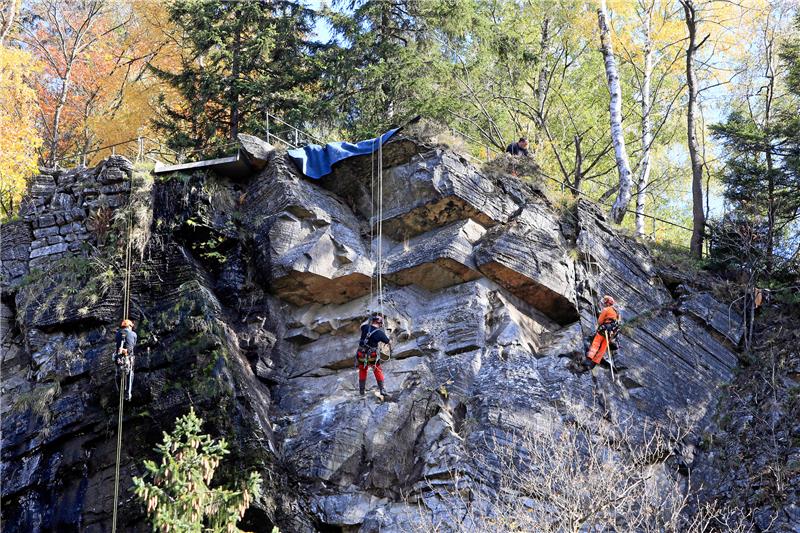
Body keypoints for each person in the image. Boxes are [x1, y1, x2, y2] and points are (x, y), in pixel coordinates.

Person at [356, 313, 391, 397]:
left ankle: (361, 391)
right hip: (372, 355)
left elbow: (361, 325)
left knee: (362, 370)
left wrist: (369, 319)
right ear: (380, 324)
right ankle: (382, 390)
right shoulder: (380, 333)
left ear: (372, 321)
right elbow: (388, 342)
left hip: (361, 354)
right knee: (377, 369)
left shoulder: (365, 327)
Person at [585, 295, 621, 369]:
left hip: (604, 329)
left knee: (596, 343)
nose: (604, 303)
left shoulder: (606, 309)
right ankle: (594, 363)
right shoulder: (617, 313)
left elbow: (600, 321)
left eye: (605, 302)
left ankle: (589, 359)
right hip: (611, 333)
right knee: (603, 348)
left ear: (607, 302)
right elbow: (618, 324)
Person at [115, 319, 137, 400]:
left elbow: (117, 343)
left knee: (117, 373)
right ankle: (128, 393)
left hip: (119, 358)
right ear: (129, 326)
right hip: (128, 358)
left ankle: (119, 391)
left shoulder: (117, 334)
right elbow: (133, 345)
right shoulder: (133, 334)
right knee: (130, 373)